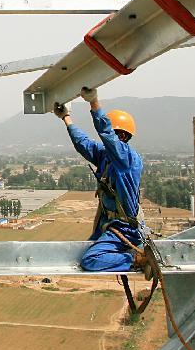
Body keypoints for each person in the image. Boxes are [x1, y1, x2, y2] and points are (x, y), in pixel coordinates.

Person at [53, 87, 146, 273]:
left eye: (113, 134)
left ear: (122, 136)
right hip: (110, 225)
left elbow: (105, 132)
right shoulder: (106, 157)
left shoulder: (127, 159)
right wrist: (66, 117)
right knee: (79, 251)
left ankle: (137, 260)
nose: (106, 140)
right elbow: (83, 144)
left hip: (125, 229)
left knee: (90, 260)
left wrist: (94, 102)